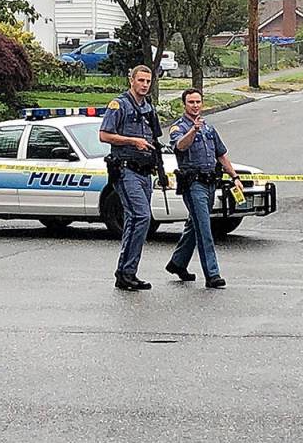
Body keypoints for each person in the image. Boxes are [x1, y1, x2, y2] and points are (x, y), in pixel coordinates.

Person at [165, 88, 243, 289]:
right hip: (193, 184)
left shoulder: (209, 128)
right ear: (184, 104)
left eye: (198, 101)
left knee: (195, 225)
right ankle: (212, 274)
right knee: (204, 228)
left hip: (210, 183)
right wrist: (193, 130)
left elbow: (221, 154)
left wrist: (235, 176)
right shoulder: (178, 128)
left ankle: (178, 263)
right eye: (191, 102)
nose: (195, 105)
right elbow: (180, 146)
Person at [99, 65, 164, 291]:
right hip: (126, 170)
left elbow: (155, 140)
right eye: (141, 80)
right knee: (141, 216)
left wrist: (159, 166)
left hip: (145, 171)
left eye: (148, 81)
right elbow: (104, 135)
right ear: (131, 81)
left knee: (136, 221)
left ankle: (127, 272)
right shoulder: (120, 105)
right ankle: (126, 271)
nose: (145, 84)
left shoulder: (148, 108)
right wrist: (132, 141)